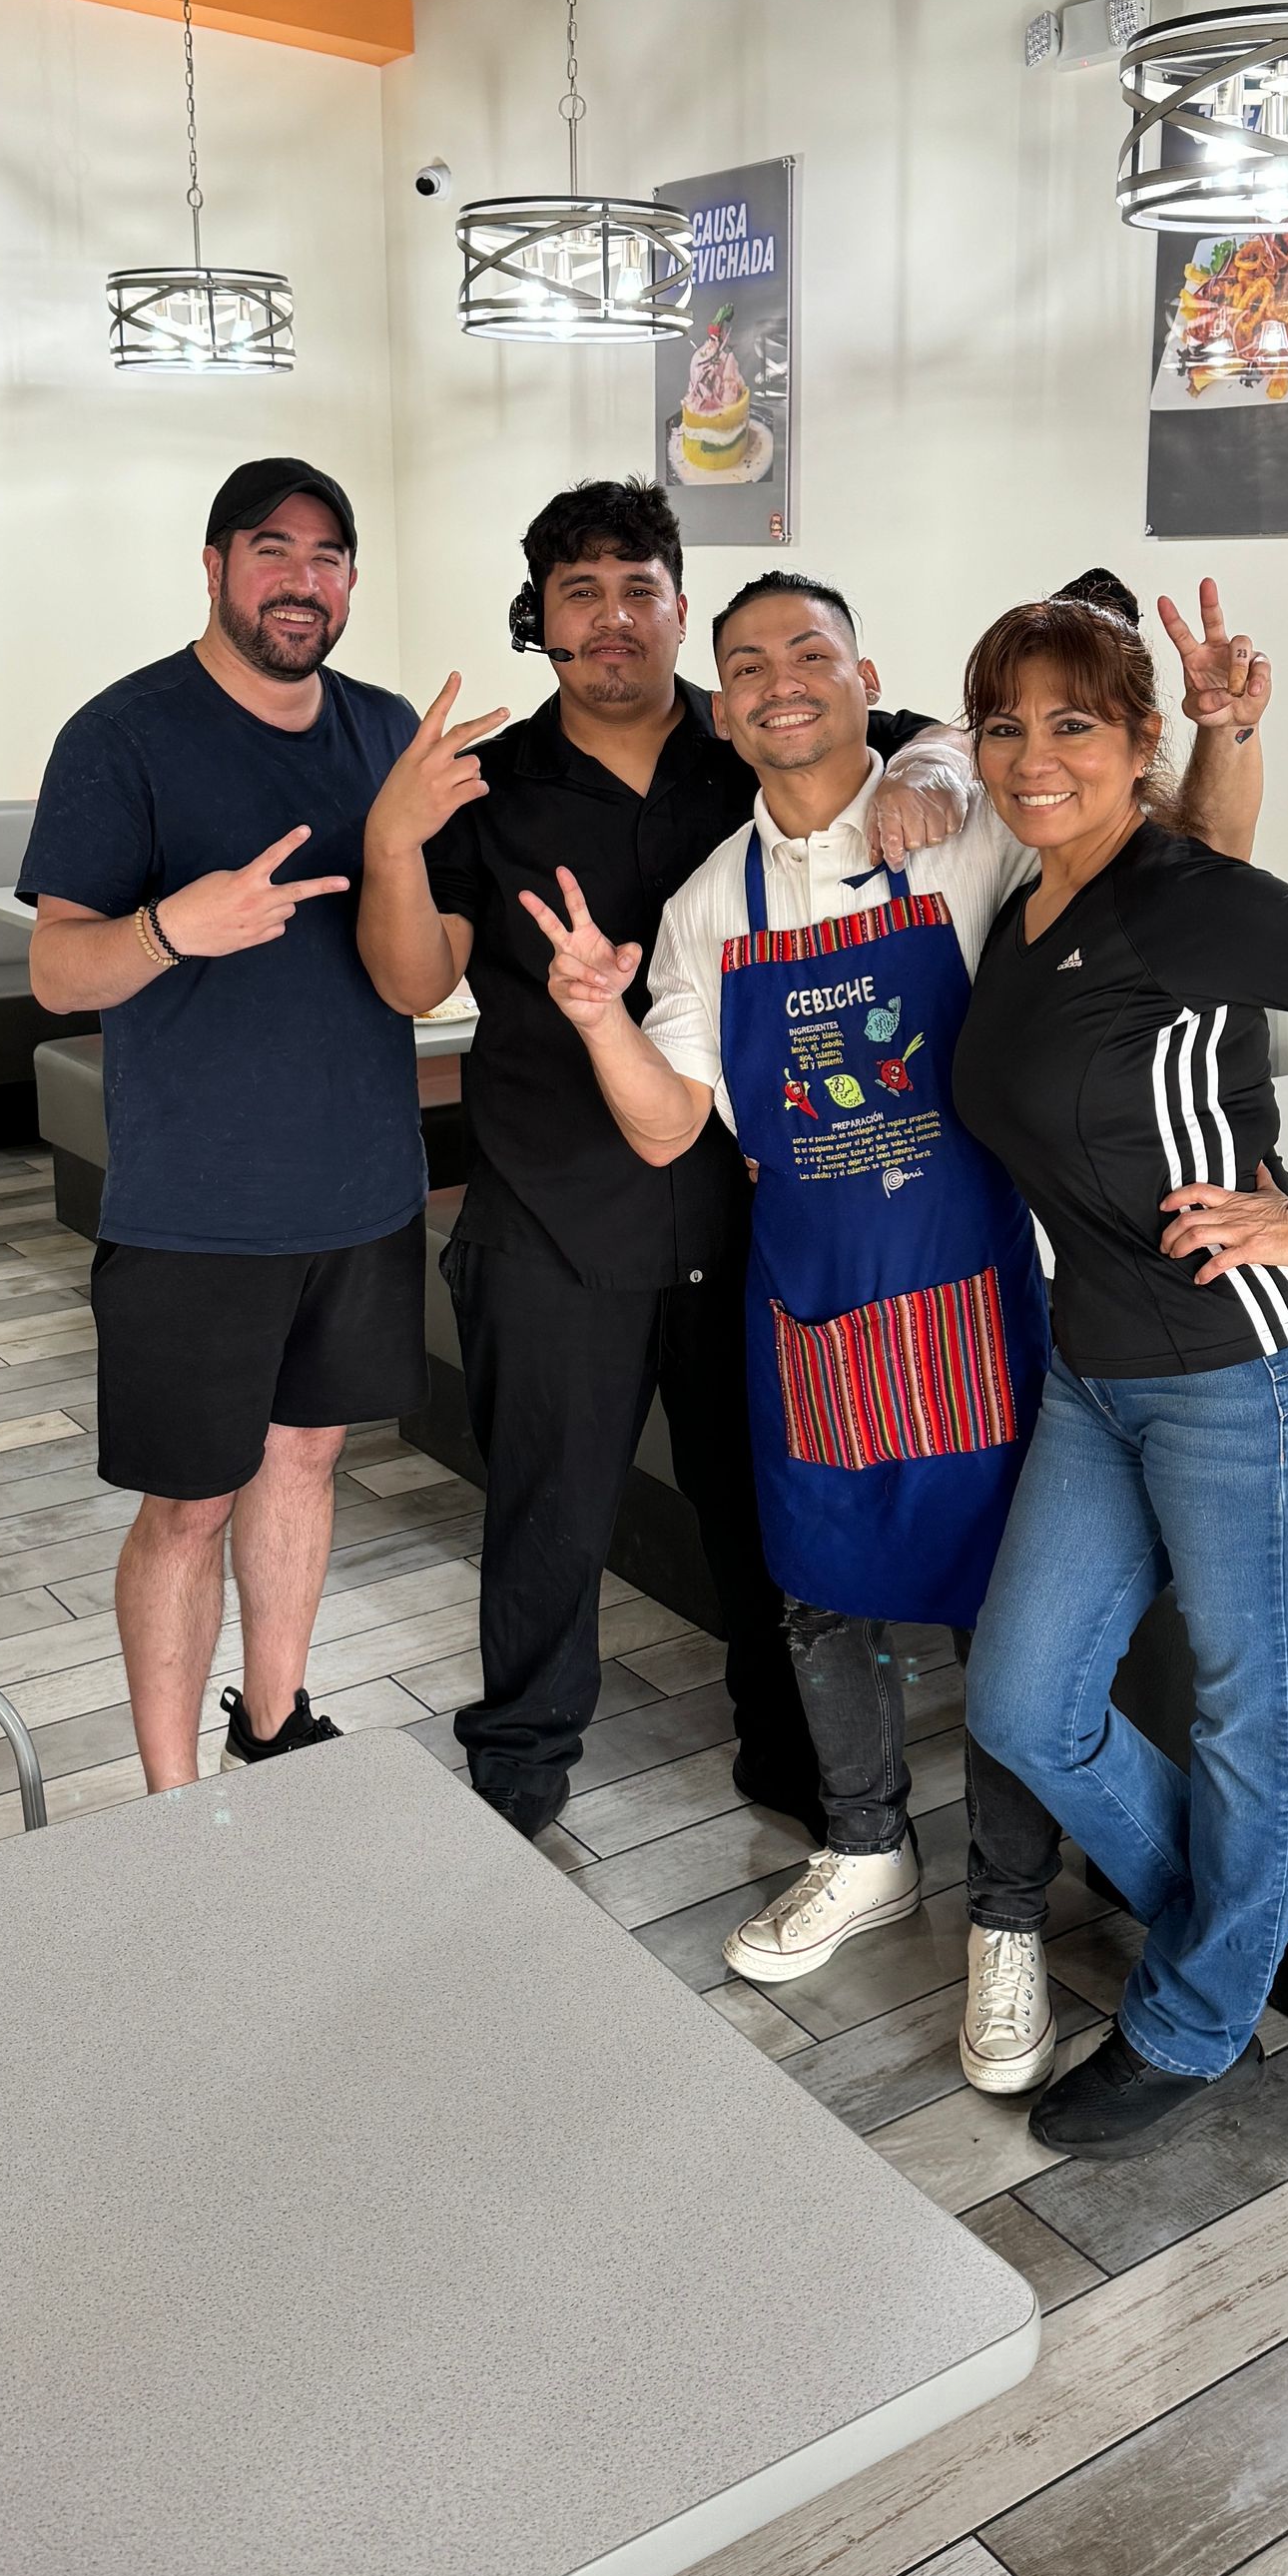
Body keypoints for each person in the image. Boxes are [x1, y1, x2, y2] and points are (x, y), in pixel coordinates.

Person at [522, 567, 1268, 2098]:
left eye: (810, 650)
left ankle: (1006, 1912)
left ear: (870, 675)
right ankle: (866, 1846)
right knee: (820, 1601)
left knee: (999, 1615)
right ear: (722, 705)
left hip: (980, 1296)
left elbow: (1199, 869)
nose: (779, 678)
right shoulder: (706, 902)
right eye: (747, 662)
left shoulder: (975, 822)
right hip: (808, 1304)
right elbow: (671, 1130)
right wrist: (599, 1016)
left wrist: (1213, 735)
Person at [355, 478, 983, 1840]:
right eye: (581, 592)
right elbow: (412, 982)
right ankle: (517, 1773)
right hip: (549, 1210)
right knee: (548, 1517)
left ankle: (793, 1754)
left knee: (762, 1509)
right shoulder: (493, 787)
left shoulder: (752, 739)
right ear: (543, 621)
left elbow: (934, 735)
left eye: (641, 586)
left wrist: (936, 763)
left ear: (680, 611)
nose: (615, 616)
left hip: (745, 1209)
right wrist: (392, 841)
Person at [954, 580, 1288, 2157]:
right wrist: (1227, 741)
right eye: (1004, 723)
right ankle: (1232, 1922)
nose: (1030, 755)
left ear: (1134, 744)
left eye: (1070, 722)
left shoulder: (1168, 890)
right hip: (1097, 1371)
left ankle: (1194, 2019)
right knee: (1021, 1699)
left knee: (1256, 1721)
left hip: (1246, 1382)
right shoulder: (1036, 896)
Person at [21, 459, 427, 1793]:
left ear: (352, 582)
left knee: (307, 1455)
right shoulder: (122, 735)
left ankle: (274, 1720)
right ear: (213, 565)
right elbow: (56, 971)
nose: (300, 579)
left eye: (327, 556)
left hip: (363, 1187)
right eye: (271, 549)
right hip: (196, 1207)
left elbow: (413, 946)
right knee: (189, 1503)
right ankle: (169, 1797)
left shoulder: (381, 734)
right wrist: (168, 929)